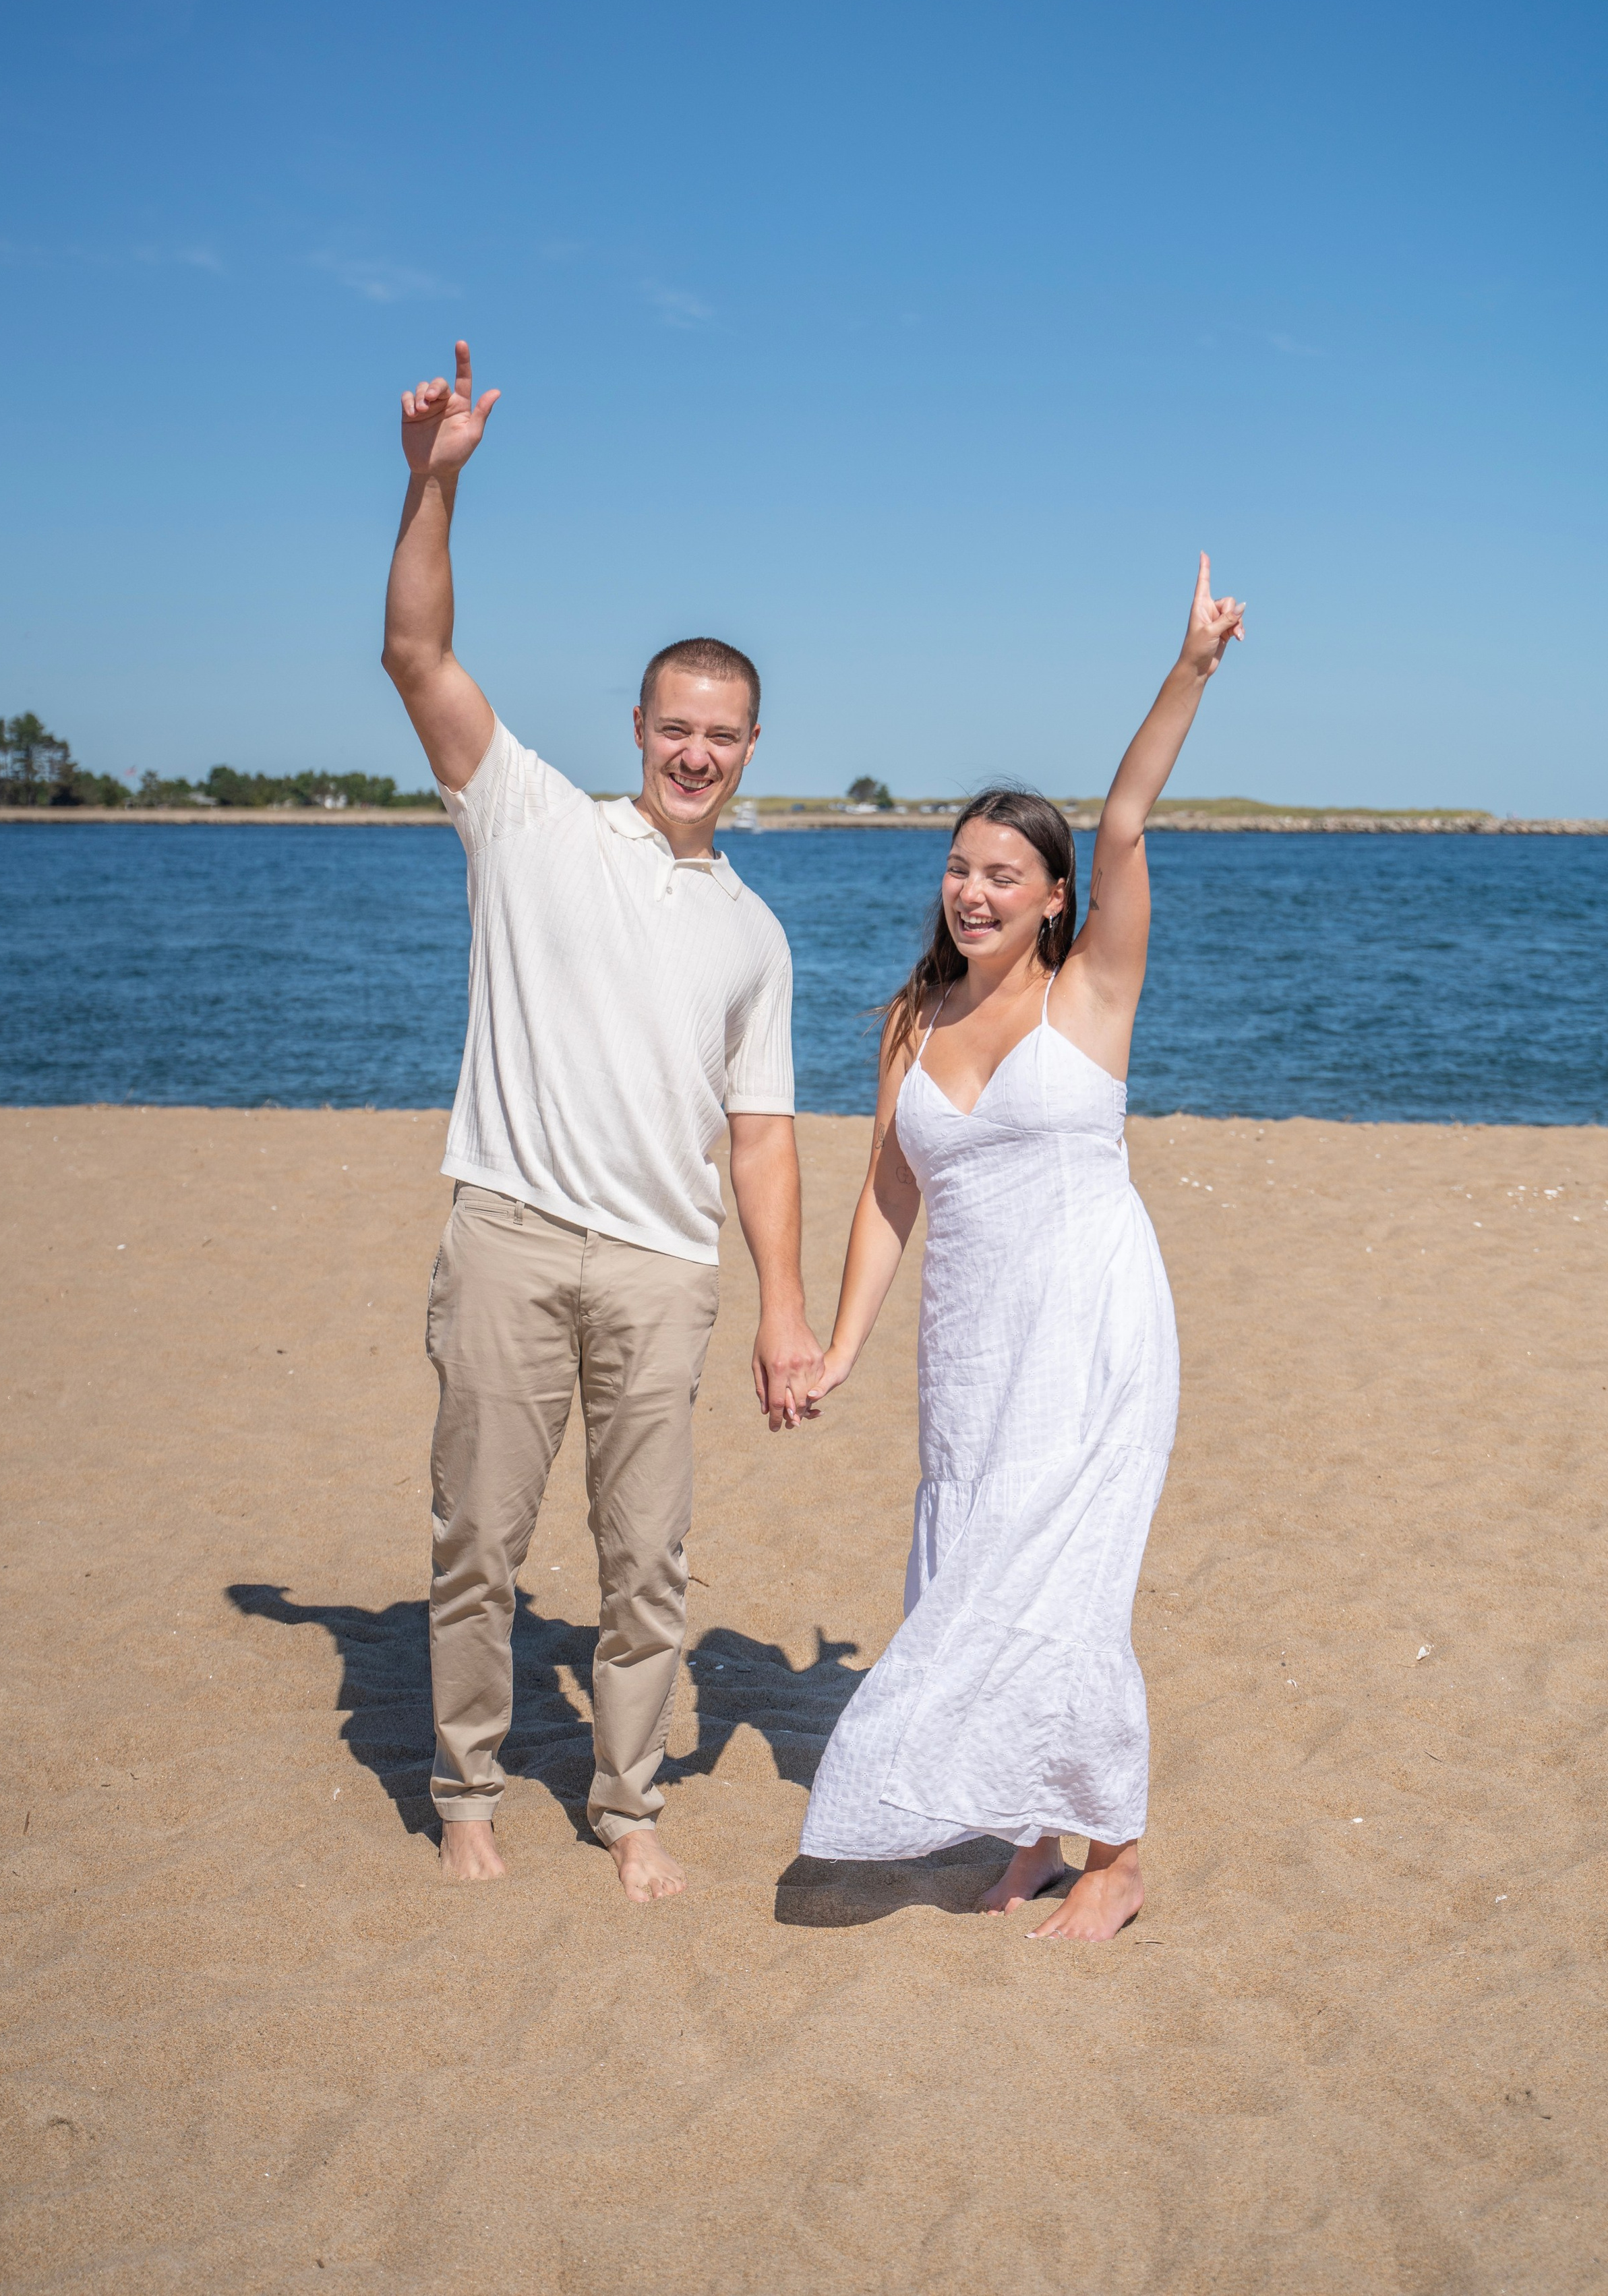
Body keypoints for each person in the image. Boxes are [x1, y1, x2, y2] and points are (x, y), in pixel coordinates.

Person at [382, 340, 824, 1903]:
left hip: (658, 1265)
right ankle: (466, 1785)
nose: (695, 750)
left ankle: (628, 1803)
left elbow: (758, 1135)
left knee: (648, 1566)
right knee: (478, 1546)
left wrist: (783, 1309)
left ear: (750, 747)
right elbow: (419, 655)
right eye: (673, 724)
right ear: (636, 724)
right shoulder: (528, 822)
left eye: (724, 731)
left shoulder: (756, 933)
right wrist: (436, 481)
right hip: (504, 1234)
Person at [799, 555, 1245, 1939]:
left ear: (1054, 897)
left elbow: (1121, 816)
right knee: (972, 1569)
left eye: (1002, 874)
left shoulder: (1094, 989)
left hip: (1097, 1326)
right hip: (972, 1344)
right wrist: (840, 1340)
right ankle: (1029, 1836)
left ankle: (1113, 1852)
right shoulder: (910, 1024)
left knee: (1065, 1575)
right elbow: (888, 1190)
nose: (970, 892)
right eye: (955, 868)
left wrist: (1187, 667)